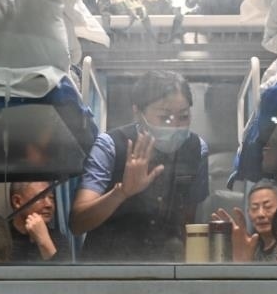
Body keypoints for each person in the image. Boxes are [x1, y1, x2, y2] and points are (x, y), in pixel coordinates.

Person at [69, 70, 209, 262]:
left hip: (166, 266)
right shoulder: (110, 146)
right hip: (106, 266)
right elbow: (77, 223)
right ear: (138, 113)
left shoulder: (197, 149)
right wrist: (122, 192)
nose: (175, 125)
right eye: (165, 117)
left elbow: (189, 222)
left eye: (183, 116)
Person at [212, 179, 277, 262]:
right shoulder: (250, 246)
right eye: (254, 208)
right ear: (248, 212)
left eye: (268, 207)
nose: (260, 214)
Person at [8, 181, 71, 262]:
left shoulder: (58, 239)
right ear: (17, 201)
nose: (49, 204)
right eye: (40, 197)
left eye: (51, 198)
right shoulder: (2, 236)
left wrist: (44, 242)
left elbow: (64, 270)